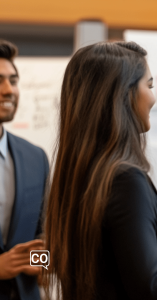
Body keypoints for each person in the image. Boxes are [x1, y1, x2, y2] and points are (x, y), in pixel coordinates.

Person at [43, 41, 157, 300]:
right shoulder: (125, 179)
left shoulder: (77, 173)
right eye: (149, 85)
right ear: (123, 94)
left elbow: (56, 258)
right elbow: (149, 288)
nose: (154, 97)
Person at [0, 40, 48, 300]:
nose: (9, 90)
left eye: (14, 81)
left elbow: (43, 234)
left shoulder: (35, 158)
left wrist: (44, 263)